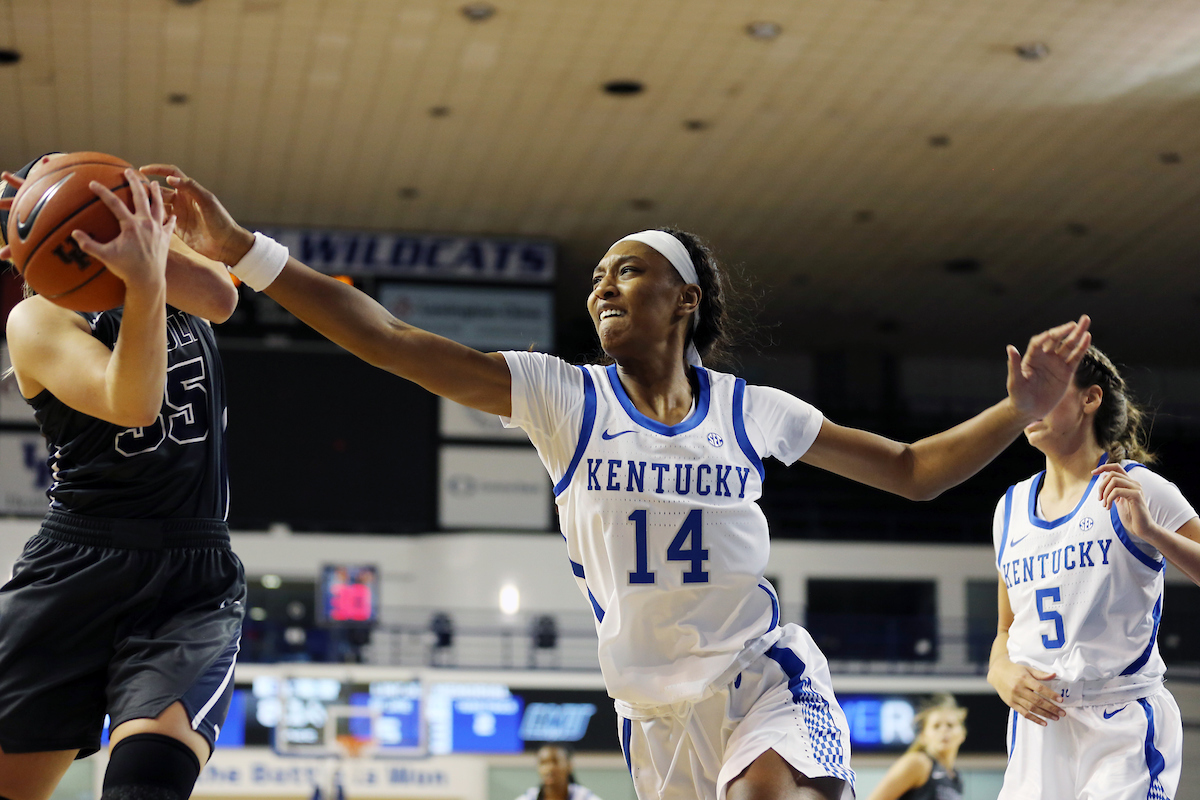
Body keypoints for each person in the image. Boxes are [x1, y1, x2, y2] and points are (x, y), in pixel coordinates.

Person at [143, 162, 1091, 800]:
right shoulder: (565, 398)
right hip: (649, 710)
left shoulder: (749, 410)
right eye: (597, 274)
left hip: (761, 671)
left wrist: (1019, 409)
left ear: (685, 300)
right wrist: (242, 251)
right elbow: (389, 342)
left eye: (628, 271)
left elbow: (916, 473)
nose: (602, 285)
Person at [0, 156, 244, 800]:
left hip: (187, 577)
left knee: (148, 783)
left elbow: (222, 296)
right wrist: (141, 281)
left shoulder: (168, 281)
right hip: (78, 565)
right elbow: (131, 402)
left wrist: (151, 242)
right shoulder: (35, 321)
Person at [986, 345, 1200, 799]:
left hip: (1120, 719)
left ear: (1090, 398)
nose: (1029, 406)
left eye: (1044, 391)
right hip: (1038, 728)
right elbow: (1006, 629)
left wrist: (1152, 532)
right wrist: (1000, 672)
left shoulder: (1139, 486)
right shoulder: (1009, 508)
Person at [866, 694, 965, 800]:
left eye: (950, 725)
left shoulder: (955, 778)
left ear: (962, 734)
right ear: (923, 736)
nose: (943, 730)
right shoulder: (919, 763)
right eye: (936, 726)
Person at [514, 745, 603, 800]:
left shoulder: (584, 797)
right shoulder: (530, 797)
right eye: (543, 763)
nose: (549, 769)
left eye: (555, 762)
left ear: (569, 766)